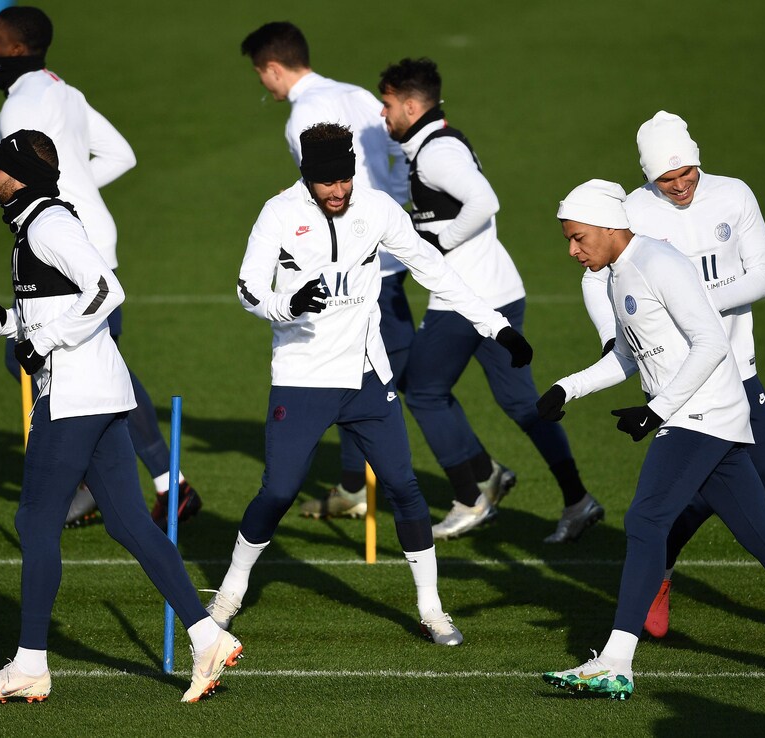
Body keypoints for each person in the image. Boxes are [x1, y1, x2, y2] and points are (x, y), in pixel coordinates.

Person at [206, 123, 533, 645]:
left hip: (366, 377)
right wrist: (286, 305)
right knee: (280, 490)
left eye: (345, 179)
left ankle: (432, 609)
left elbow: (431, 267)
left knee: (404, 487)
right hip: (302, 377)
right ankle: (229, 592)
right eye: (327, 182)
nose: (338, 191)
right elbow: (248, 288)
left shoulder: (377, 208)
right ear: (306, 176)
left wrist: (495, 325)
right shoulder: (279, 213)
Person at [0, 130, 241, 704]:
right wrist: (9, 324)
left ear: (19, 174)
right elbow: (63, 302)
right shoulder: (38, 223)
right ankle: (207, 635)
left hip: (73, 399)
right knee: (130, 523)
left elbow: (105, 290)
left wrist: (44, 343)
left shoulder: (48, 226)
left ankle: (29, 666)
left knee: (35, 522)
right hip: (102, 394)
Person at [538, 180, 765, 699]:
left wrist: (655, 411)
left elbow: (711, 343)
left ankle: (615, 661)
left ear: (609, 228)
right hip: (699, 415)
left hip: (702, 412)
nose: (572, 250)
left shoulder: (659, 263)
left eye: (578, 237)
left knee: (646, 519)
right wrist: (568, 387)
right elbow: (629, 356)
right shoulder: (617, 273)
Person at [0, 5, 200, 528]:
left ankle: (120, 480)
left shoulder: (18, 107)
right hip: (91, 235)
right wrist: (73, 196)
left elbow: (10, 186)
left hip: (64, 246)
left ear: (15, 49)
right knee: (93, 363)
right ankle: (155, 482)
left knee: (46, 361)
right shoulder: (64, 91)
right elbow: (121, 155)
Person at [582, 111, 765, 640]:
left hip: (738, 371)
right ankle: (658, 579)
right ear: (648, 175)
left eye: (688, 172)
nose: (681, 184)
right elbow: (595, 282)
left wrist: (690, 300)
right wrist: (613, 339)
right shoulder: (631, 212)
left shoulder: (733, 195)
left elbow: (763, 276)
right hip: (676, 386)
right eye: (667, 178)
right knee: (686, 498)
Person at [378, 57, 600, 542]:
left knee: (424, 391)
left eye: (388, 104)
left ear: (411, 106)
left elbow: (484, 201)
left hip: (466, 300)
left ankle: (471, 496)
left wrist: (440, 243)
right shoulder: (440, 143)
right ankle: (577, 499)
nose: (383, 114)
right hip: (501, 291)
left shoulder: (436, 154)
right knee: (522, 403)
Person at [240, 21, 417, 519]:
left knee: (392, 379)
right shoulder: (357, 95)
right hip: (388, 251)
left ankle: (470, 474)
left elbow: (318, 194)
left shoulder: (304, 117)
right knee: (370, 372)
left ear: (273, 68)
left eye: (260, 74)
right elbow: (396, 155)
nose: (262, 84)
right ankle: (353, 484)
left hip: (351, 266)